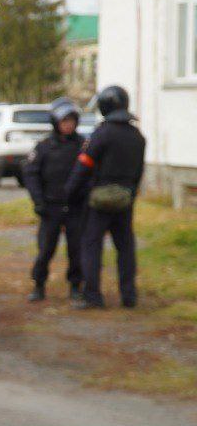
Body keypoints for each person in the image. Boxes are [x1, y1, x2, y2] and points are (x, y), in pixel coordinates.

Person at [66, 84, 147, 309]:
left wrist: (69, 193)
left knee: (91, 246)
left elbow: (83, 166)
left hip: (99, 201)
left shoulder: (101, 135)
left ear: (104, 106)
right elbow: (139, 171)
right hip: (125, 200)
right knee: (126, 248)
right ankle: (129, 296)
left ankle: (93, 296)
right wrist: (130, 193)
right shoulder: (137, 136)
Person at [21, 96, 86, 302]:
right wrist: (38, 200)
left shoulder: (83, 145)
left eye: (71, 121)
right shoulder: (44, 147)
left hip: (75, 207)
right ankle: (39, 284)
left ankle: (76, 286)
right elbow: (31, 174)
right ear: (55, 123)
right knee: (45, 249)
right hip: (50, 207)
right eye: (64, 121)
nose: (68, 125)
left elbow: (90, 174)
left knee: (76, 249)